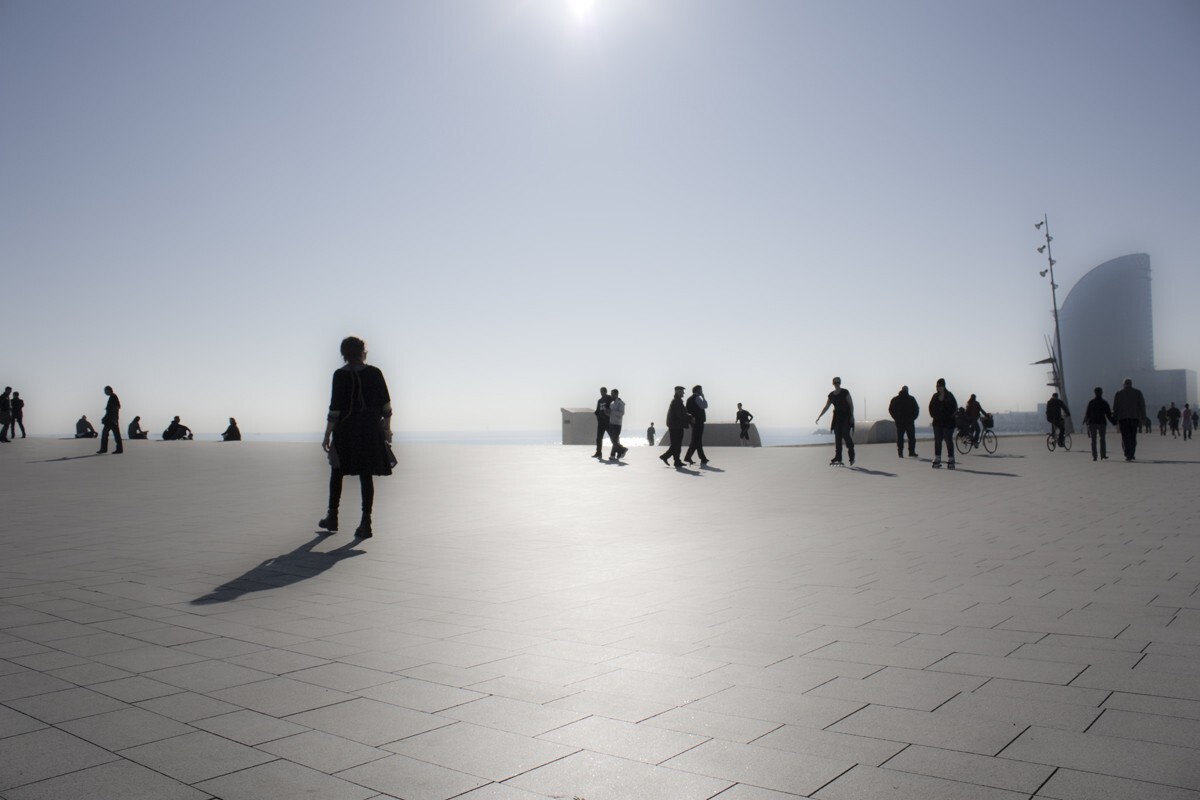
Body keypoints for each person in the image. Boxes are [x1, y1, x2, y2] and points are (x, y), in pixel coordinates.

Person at [319, 336, 393, 539]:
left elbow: (335, 408)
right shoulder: (375, 373)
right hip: (370, 430)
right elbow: (386, 406)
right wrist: (387, 430)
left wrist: (327, 434)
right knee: (365, 474)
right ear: (363, 352)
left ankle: (332, 516)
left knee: (337, 470)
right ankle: (365, 522)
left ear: (344, 354)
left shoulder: (340, 375)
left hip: (346, 430)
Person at [816, 377, 855, 466]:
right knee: (837, 437)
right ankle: (838, 457)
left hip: (846, 417)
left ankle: (851, 455)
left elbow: (851, 404)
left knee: (846, 435)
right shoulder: (831, 395)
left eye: (838, 382)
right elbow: (826, 407)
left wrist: (852, 416)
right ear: (833, 383)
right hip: (837, 418)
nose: (837, 383)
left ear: (840, 383)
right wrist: (820, 416)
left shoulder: (845, 392)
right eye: (835, 382)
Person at [1112, 377, 1147, 461]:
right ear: (1131, 383)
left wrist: (1114, 418)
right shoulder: (1138, 392)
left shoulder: (1119, 393)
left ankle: (1127, 453)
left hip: (1123, 418)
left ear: (1123, 384)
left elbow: (1115, 407)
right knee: (1133, 436)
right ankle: (1132, 453)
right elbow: (1142, 406)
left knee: (1125, 436)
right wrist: (1143, 417)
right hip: (1134, 418)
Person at [659, 386, 691, 468]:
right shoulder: (676, 402)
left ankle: (676, 460)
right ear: (677, 392)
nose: (683, 393)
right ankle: (666, 457)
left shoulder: (677, 401)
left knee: (676, 444)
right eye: (682, 391)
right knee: (676, 444)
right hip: (676, 426)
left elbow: (681, 413)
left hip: (676, 425)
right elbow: (680, 414)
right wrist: (689, 417)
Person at [928, 378, 957, 469]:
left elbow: (954, 408)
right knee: (937, 441)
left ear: (944, 386)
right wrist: (934, 415)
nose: (939, 388)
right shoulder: (935, 396)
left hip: (948, 423)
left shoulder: (949, 396)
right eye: (938, 386)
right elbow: (930, 407)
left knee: (948, 440)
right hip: (937, 422)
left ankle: (951, 459)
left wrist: (949, 416)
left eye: (941, 386)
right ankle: (937, 458)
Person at [1083, 386, 1116, 461]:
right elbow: (1108, 414)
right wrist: (1114, 422)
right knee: (1102, 439)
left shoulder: (1091, 402)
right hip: (1102, 423)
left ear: (1094, 393)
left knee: (1093, 440)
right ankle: (1103, 455)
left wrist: (1086, 420)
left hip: (1092, 423)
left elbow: (1087, 413)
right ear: (1101, 393)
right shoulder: (1104, 402)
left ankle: (1094, 456)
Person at [888, 385, 919, 458]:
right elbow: (916, 409)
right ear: (907, 390)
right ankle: (911, 452)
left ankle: (900, 452)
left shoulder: (895, 399)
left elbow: (890, 409)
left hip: (900, 422)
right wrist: (913, 418)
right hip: (909, 422)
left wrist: (895, 417)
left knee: (900, 438)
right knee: (911, 438)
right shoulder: (911, 399)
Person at [683, 385, 709, 465]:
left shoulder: (689, 399)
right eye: (701, 390)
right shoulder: (697, 398)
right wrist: (703, 397)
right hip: (698, 421)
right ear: (698, 390)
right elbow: (705, 406)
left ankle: (701, 458)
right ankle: (690, 457)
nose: (702, 391)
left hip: (693, 422)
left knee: (696, 440)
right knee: (697, 440)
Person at [97, 386, 123, 454]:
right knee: (115, 434)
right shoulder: (112, 397)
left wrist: (110, 416)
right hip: (112, 419)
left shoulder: (113, 396)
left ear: (109, 390)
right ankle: (118, 449)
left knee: (106, 434)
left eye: (105, 391)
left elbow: (118, 406)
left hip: (111, 420)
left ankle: (104, 449)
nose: (104, 392)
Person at [606, 390, 627, 460]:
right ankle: (621, 451)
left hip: (617, 424)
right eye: (611, 394)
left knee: (614, 440)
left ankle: (613, 454)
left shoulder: (621, 403)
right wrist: (607, 413)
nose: (611, 395)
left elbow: (621, 413)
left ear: (616, 394)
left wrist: (612, 412)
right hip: (611, 423)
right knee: (614, 440)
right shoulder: (612, 403)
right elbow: (611, 413)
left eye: (612, 394)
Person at [592, 387, 611, 459]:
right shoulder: (599, 401)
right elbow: (597, 410)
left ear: (606, 391)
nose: (601, 392)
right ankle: (598, 453)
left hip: (608, 422)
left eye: (603, 391)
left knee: (612, 438)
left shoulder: (609, 398)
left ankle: (619, 450)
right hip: (601, 423)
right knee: (598, 438)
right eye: (600, 391)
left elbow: (614, 403)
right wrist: (597, 414)